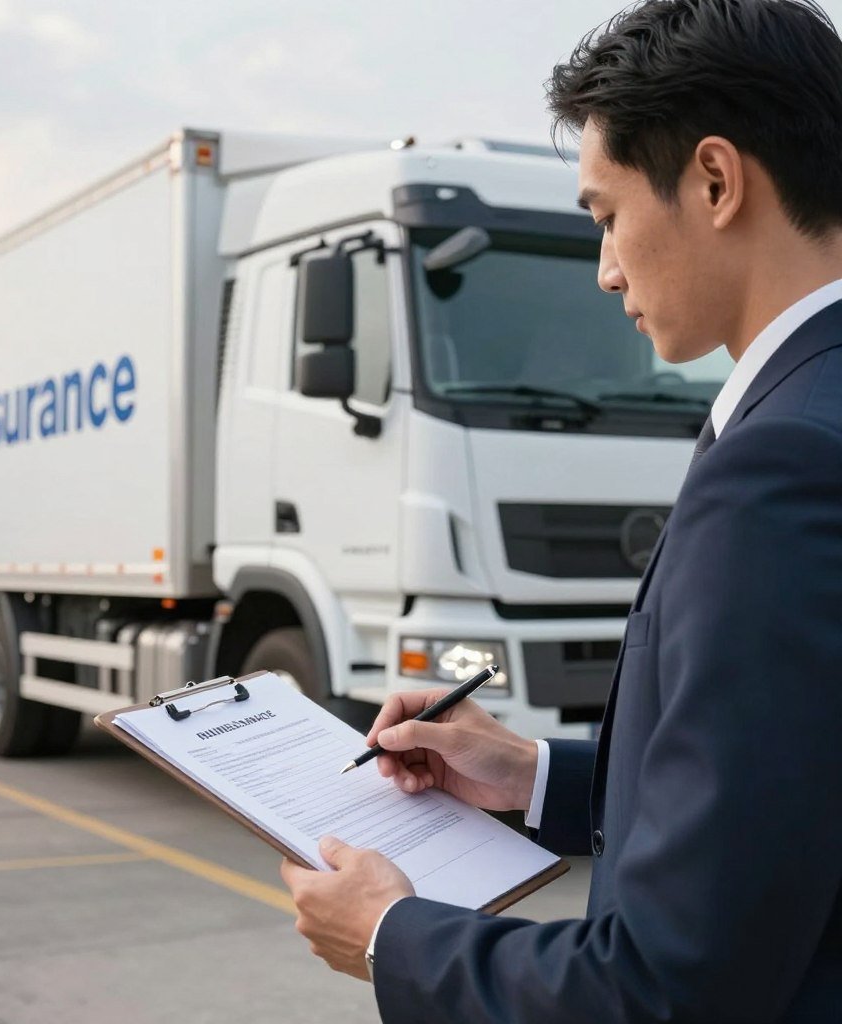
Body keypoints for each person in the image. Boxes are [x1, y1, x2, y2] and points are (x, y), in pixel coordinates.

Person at [280, 1, 842, 1020]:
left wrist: (391, 936)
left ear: (715, 181)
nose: (606, 270)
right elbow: (794, 793)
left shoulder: (779, 466)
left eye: (605, 214)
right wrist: (531, 774)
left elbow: (672, 985)